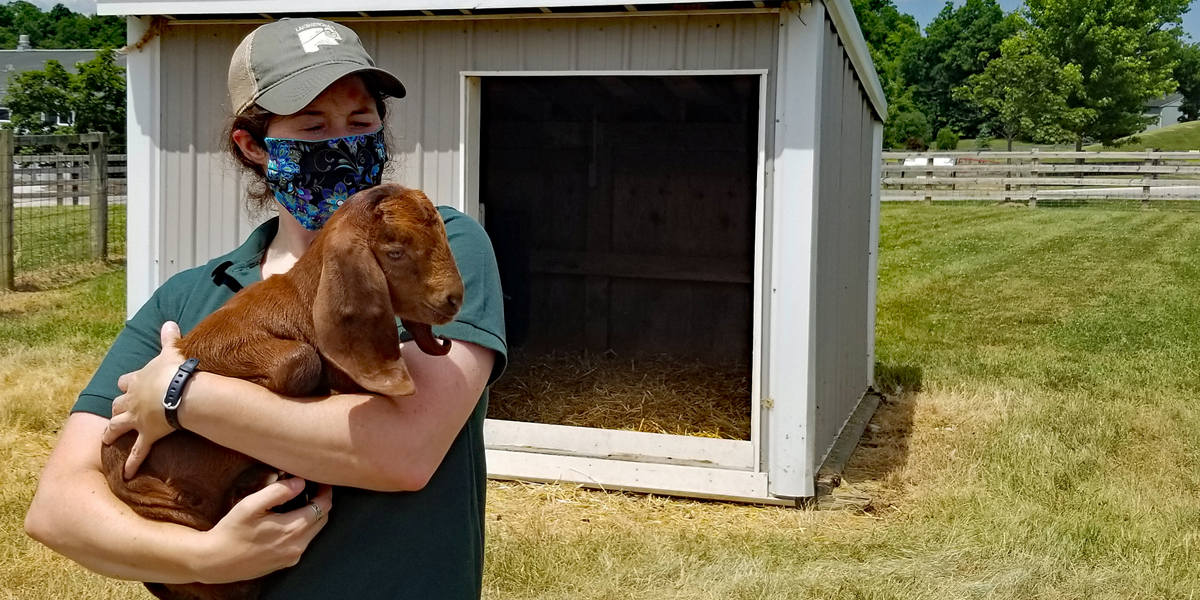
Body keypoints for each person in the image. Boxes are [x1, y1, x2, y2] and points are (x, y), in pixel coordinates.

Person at [24, 18, 506, 600]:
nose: (341, 143)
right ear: (253, 146)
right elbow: (56, 509)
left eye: (361, 121)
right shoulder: (189, 298)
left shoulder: (433, 246)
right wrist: (208, 557)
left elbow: (403, 453)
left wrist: (182, 394)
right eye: (311, 126)